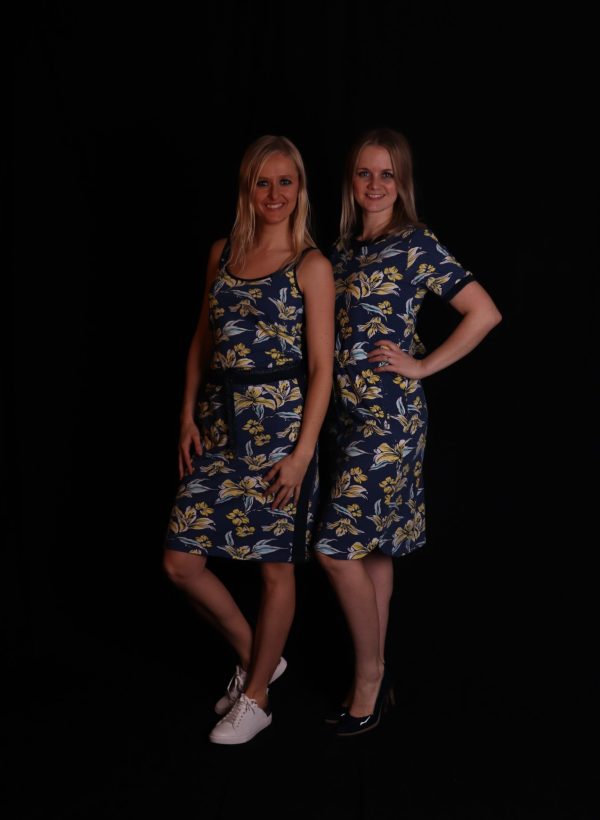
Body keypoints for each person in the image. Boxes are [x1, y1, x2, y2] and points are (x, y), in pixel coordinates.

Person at [313, 127, 502, 736]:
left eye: (387, 174)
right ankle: (375, 675)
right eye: (365, 173)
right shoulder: (341, 251)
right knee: (373, 550)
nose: (375, 184)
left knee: (335, 549)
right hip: (345, 419)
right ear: (351, 180)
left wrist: (421, 365)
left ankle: (370, 679)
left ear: (402, 183)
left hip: (390, 419)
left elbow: (484, 312)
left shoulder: (416, 243)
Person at [163, 134, 334, 745]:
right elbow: (201, 341)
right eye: (263, 182)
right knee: (181, 562)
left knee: (274, 570)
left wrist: (303, 455)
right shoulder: (223, 252)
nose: (274, 193)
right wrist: (187, 415)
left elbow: (322, 368)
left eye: (285, 181)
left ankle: (256, 696)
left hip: (282, 432)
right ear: (247, 188)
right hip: (218, 424)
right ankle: (259, 656)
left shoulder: (311, 265)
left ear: (300, 188)